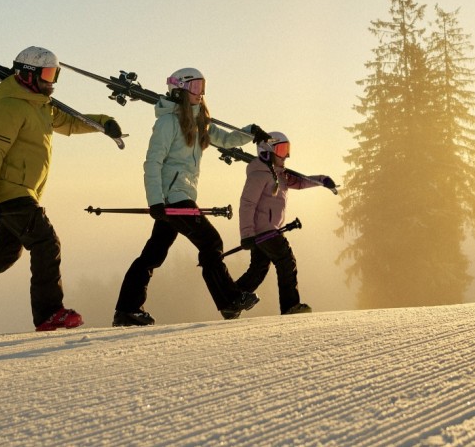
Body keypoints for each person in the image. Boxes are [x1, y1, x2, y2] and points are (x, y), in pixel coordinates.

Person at [0, 46, 123, 335]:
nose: (52, 82)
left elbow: (68, 122)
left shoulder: (39, 106)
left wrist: (104, 123)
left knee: (4, 254)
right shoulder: (9, 107)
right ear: (28, 74)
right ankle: (49, 313)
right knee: (46, 243)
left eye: (55, 75)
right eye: (47, 74)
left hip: (24, 191)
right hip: (11, 192)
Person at [112, 67, 268, 326]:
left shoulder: (198, 122)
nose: (201, 93)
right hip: (174, 198)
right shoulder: (167, 122)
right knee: (211, 242)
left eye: (203, 87)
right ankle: (229, 301)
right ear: (180, 90)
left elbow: (226, 140)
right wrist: (155, 202)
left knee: (153, 254)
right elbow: (153, 162)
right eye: (195, 87)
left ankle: (127, 309)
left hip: (178, 195)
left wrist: (250, 132)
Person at [232, 132, 334, 315]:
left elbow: (301, 182)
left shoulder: (280, 175)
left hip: (266, 231)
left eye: (287, 150)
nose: (286, 155)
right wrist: (246, 234)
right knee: (286, 260)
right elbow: (247, 204)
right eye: (281, 149)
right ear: (267, 151)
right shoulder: (259, 174)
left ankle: (231, 300)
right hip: (264, 230)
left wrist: (321, 180)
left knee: (258, 269)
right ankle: (290, 307)